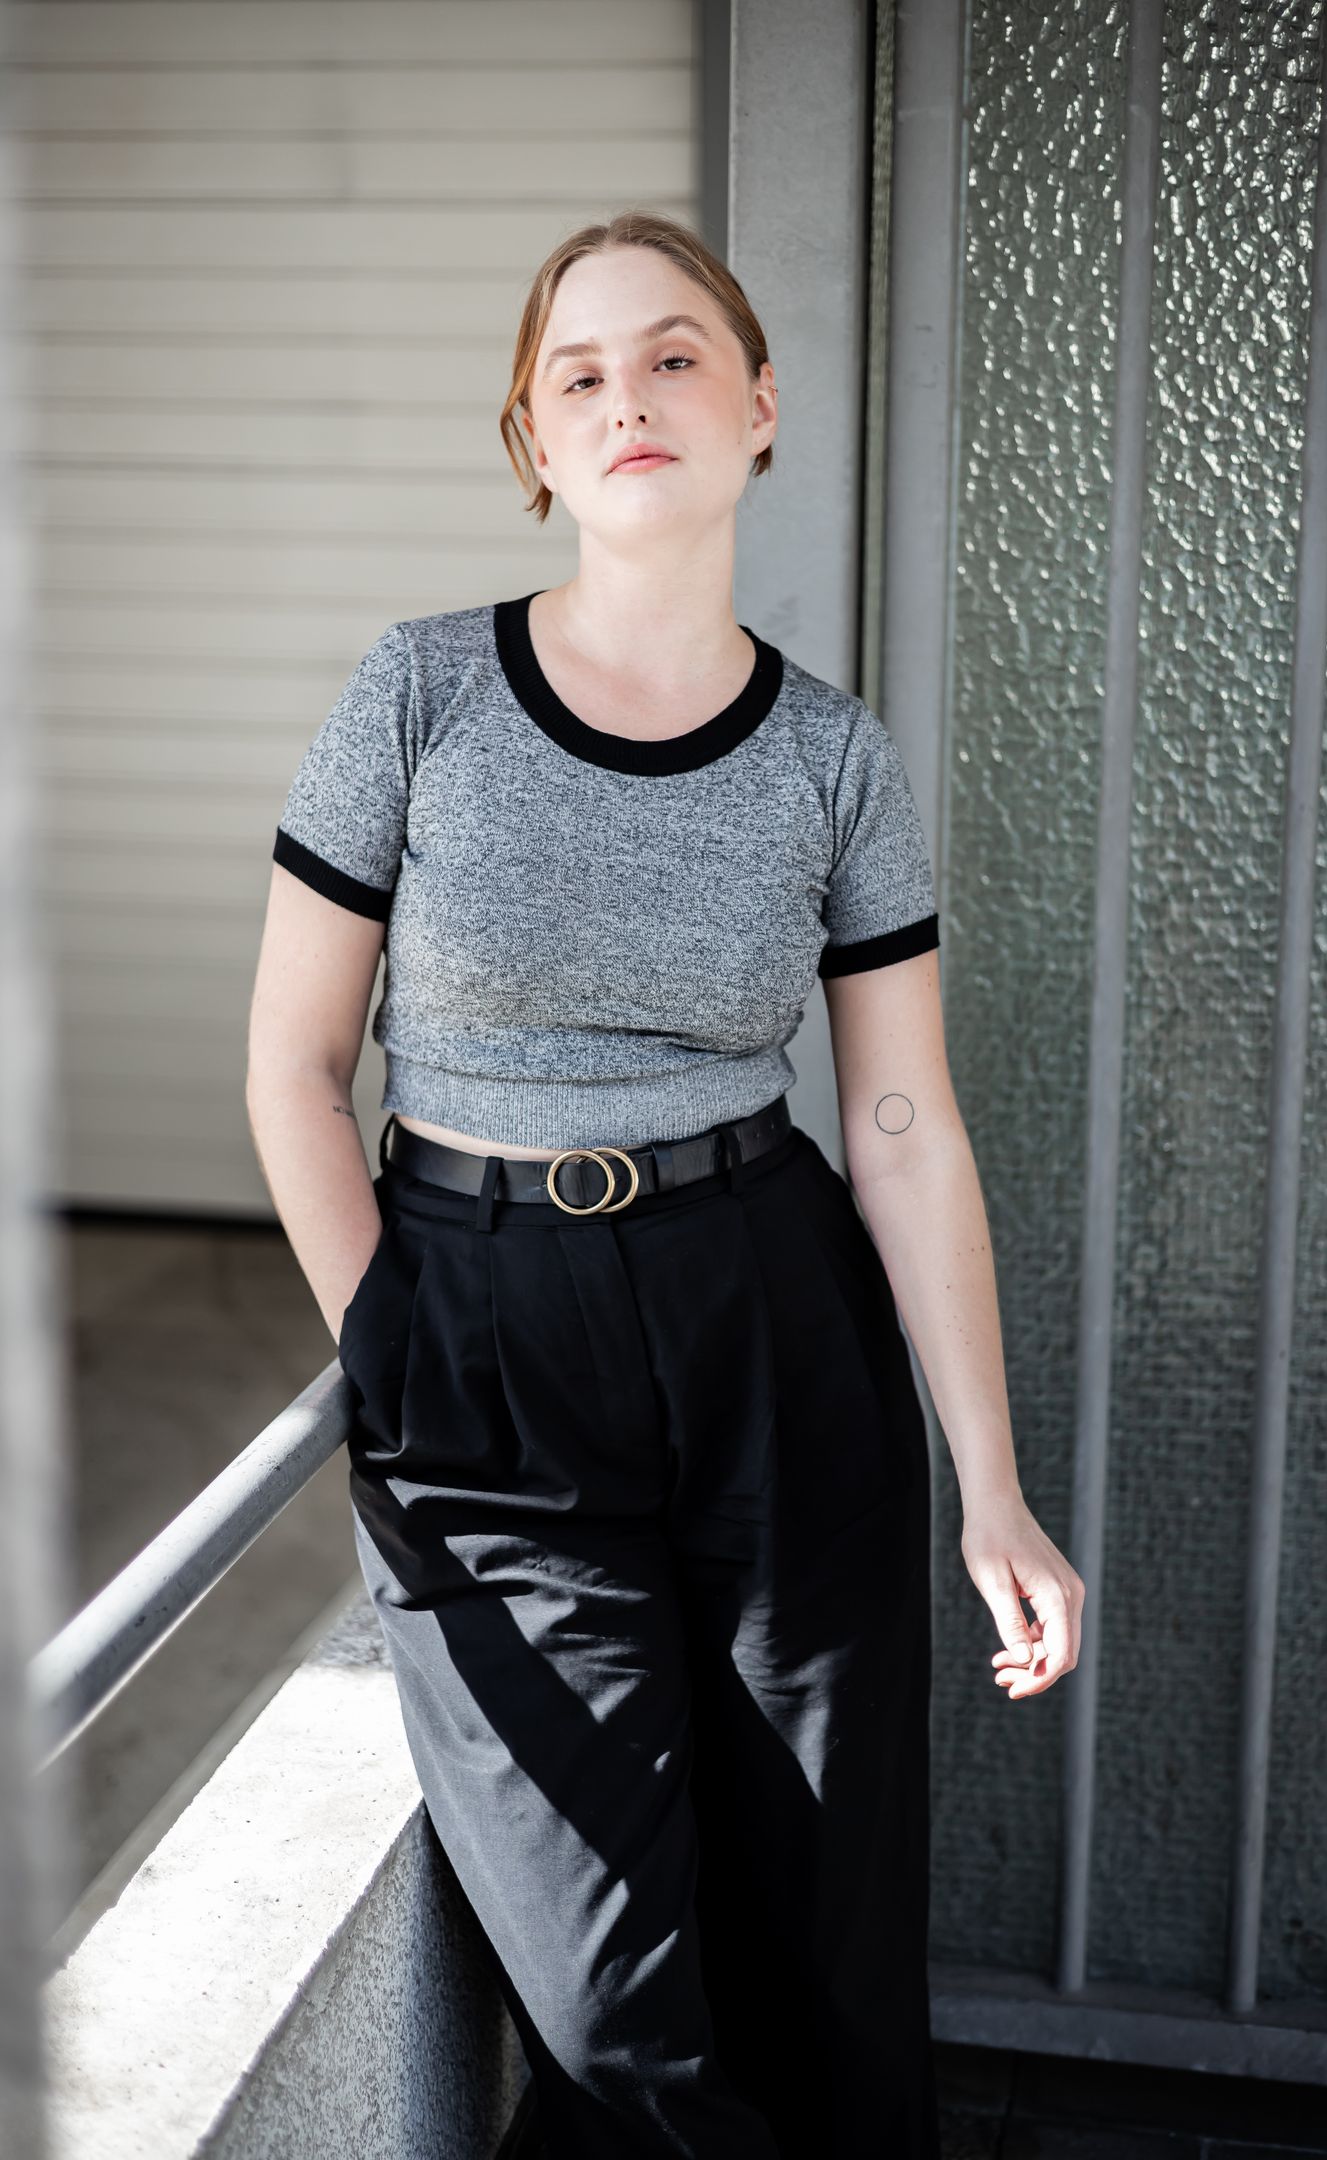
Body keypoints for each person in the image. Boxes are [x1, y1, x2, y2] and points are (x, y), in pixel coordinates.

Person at [246, 208, 1084, 2160]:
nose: (630, 396)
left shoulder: (836, 759)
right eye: (582, 373)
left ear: (761, 406)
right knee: (616, 2012)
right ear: (535, 442)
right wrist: (394, 1343)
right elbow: (291, 1067)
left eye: (677, 356)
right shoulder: (419, 694)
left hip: (771, 1323)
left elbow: (901, 1123)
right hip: (481, 1336)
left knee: (827, 1963)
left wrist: (995, 1487)